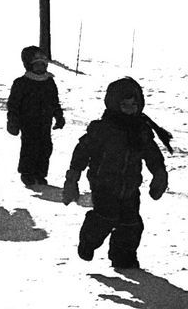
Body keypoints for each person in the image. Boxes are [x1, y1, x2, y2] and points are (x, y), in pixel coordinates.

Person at [61, 76, 171, 271]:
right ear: (114, 104)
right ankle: (88, 240)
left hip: (130, 186)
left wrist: (159, 174)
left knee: (131, 224)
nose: (130, 109)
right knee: (106, 217)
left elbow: (152, 154)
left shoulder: (141, 130)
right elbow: (82, 151)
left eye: (134, 104)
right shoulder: (103, 129)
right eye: (124, 105)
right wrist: (73, 177)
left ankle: (124, 257)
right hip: (104, 185)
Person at [6, 45, 65, 187]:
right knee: (29, 147)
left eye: (43, 64)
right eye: (37, 65)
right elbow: (13, 104)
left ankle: (40, 173)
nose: (41, 67)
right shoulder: (22, 83)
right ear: (29, 65)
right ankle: (27, 173)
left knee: (45, 147)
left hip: (45, 121)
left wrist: (59, 116)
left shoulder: (49, 82)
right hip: (28, 122)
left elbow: (54, 101)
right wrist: (13, 120)